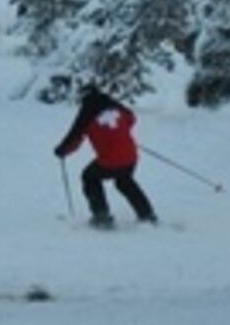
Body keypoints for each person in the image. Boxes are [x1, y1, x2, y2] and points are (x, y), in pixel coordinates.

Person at [54, 84, 157, 229]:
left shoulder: (87, 113)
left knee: (89, 177)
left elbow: (74, 138)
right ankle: (147, 214)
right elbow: (131, 119)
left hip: (111, 160)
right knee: (124, 181)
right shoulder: (114, 105)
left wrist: (62, 150)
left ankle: (101, 216)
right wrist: (118, 134)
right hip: (130, 155)